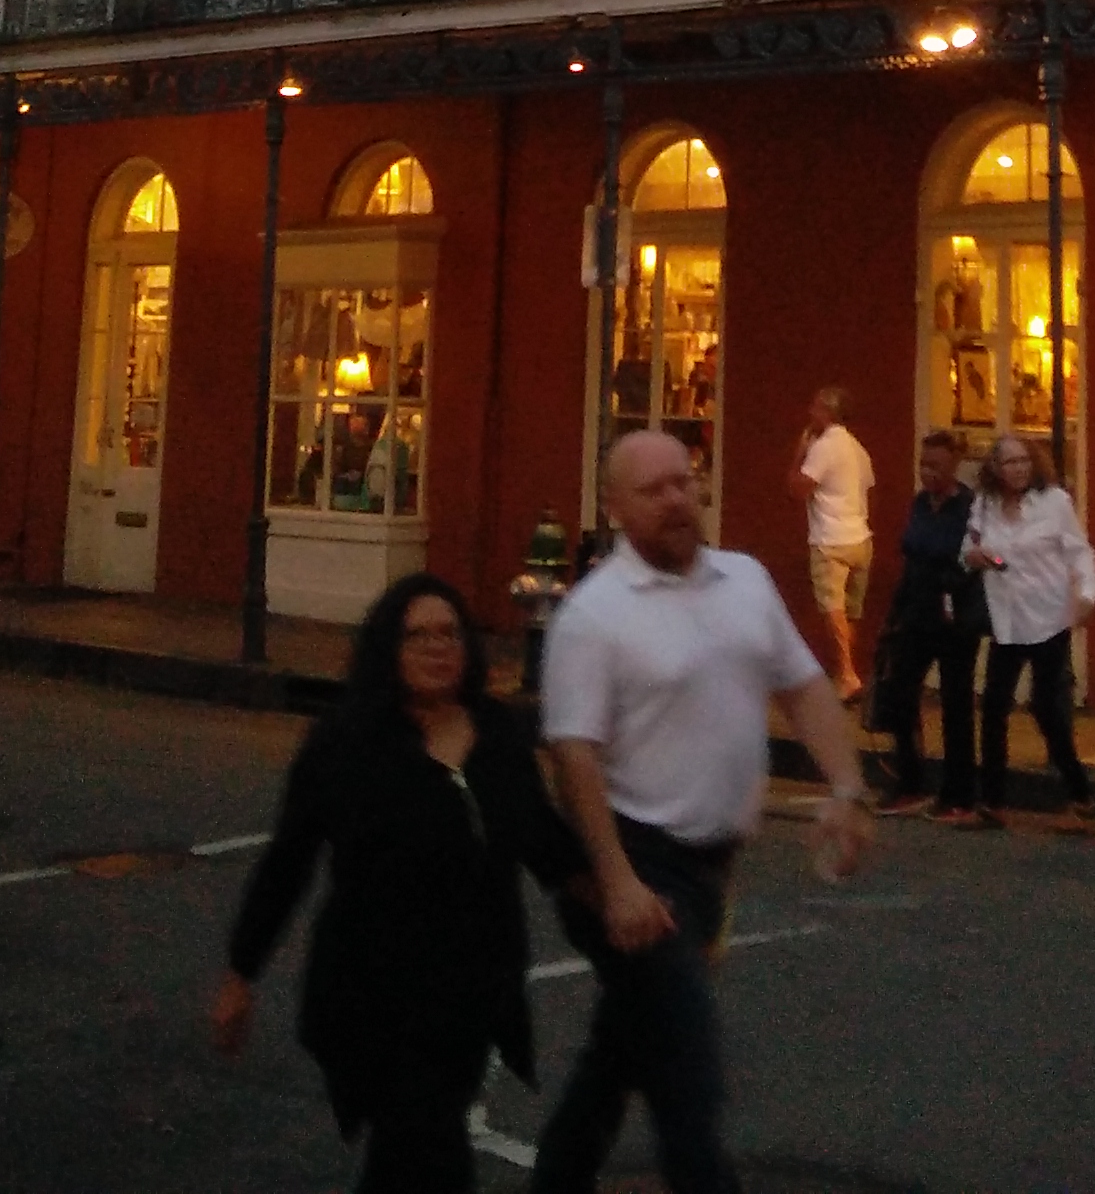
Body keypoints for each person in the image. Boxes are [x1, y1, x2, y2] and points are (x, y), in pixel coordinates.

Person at [533, 428, 869, 1194]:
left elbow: (804, 687)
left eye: (683, 482)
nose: (676, 499)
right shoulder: (594, 615)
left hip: (710, 869)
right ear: (615, 508)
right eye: (652, 490)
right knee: (688, 1075)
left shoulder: (745, 581)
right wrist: (617, 884)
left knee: (620, 1054)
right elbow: (573, 757)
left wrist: (846, 788)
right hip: (636, 864)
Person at [214, 574, 587, 1194]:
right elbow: (289, 861)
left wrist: (620, 898)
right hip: (374, 995)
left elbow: (543, 841)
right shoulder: (347, 742)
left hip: (468, 999)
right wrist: (240, 973)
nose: (438, 647)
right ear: (389, 647)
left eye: (449, 634)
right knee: (430, 1148)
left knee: (406, 1159)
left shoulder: (497, 734)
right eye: (418, 636)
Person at [959, 429, 1095, 835]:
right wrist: (974, 556)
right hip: (1007, 619)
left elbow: (1080, 552)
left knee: (1046, 708)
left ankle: (1079, 794)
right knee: (994, 706)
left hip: (1048, 617)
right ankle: (993, 802)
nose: (1018, 469)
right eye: (1009, 462)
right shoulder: (984, 505)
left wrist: (1087, 594)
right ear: (994, 468)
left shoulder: (1054, 503)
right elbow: (968, 547)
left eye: (1023, 460)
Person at [871, 433, 985, 817]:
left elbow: (973, 563)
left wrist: (952, 586)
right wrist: (894, 614)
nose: (927, 472)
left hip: (954, 619)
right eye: (923, 465)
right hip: (916, 613)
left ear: (954, 465)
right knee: (899, 694)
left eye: (936, 466)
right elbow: (910, 561)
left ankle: (958, 793)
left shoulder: (969, 508)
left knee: (956, 704)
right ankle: (910, 781)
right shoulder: (920, 504)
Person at [786, 387, 874, 699]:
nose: (810, 412)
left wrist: (799, 454)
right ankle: (845, 673)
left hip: (830, 538)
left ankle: (847, 674)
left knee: (832, 609)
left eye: (816, 407)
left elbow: (798, 488)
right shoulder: (857, 448)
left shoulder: (824, 446)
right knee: (850, 612)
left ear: (827, 412)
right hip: (860, 537)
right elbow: (866, 485)